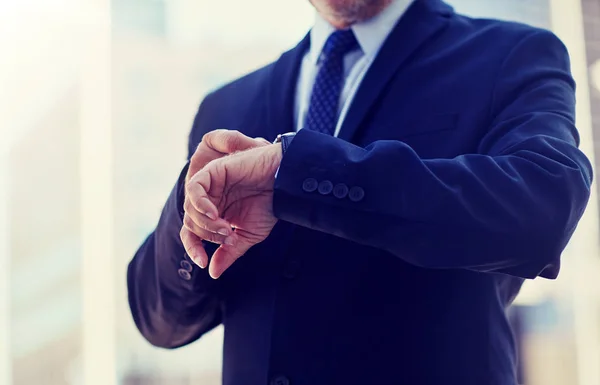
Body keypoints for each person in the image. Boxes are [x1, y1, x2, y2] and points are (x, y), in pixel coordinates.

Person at [127, 0, 593, 384]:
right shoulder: (227, 106)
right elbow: (160, 322)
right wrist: (193, 215)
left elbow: (543, 207)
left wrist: (296, 174)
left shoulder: (511, 56)